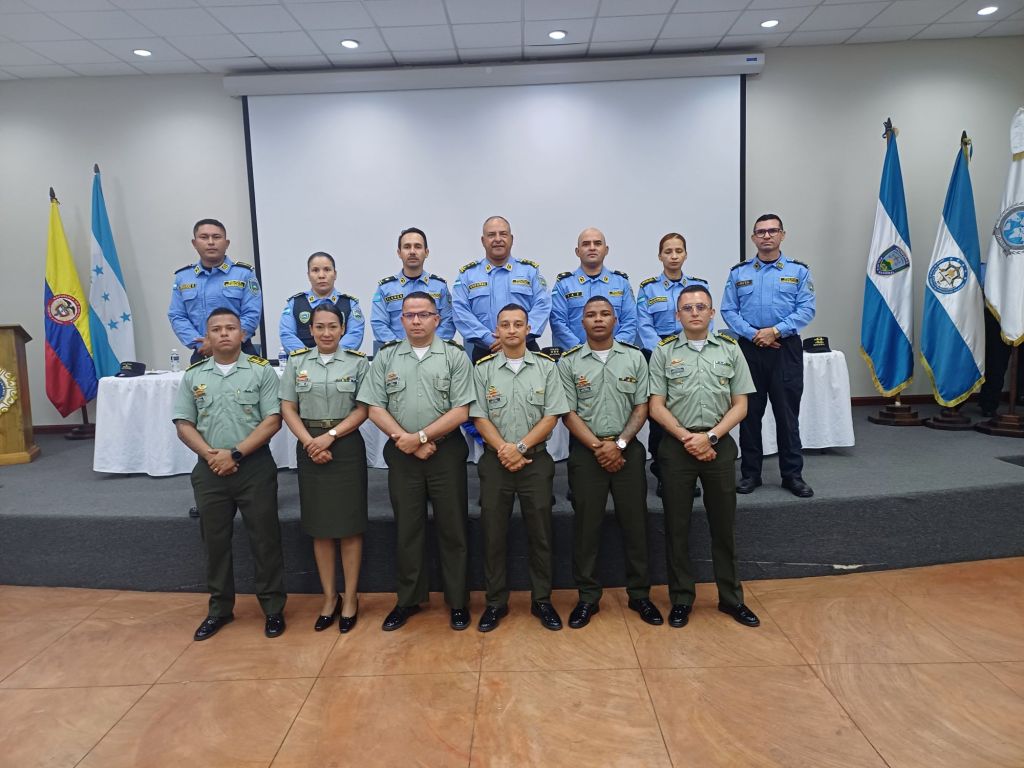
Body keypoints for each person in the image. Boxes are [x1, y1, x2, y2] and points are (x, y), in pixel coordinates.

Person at [357, 292, 475, 632]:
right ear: (401, 320)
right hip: (403, 453)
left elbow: (461, 410)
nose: (416, 321)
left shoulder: (454, 356)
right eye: (410, 315)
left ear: (437, 319)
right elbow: (374, 406)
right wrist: (405, 440)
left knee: (453, 529)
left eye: (424, 314)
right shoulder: (386, 357)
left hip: (445, 452)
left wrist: (421, 437)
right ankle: (408, 599)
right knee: (408, 530)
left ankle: (458, 601)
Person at [648, 285, 760, 629]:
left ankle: (732, 598)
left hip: (719, 444)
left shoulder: (730, 349)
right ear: (677, 315)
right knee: (676, 527)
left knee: (723, 526)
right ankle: (682, 599)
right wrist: (688, 438)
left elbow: (741, 405)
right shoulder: (663, 352)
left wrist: (709, 437)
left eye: (701, 307)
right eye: (687, 308)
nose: (694, 312)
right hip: (677, 447)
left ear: (712, 313)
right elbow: (656, 406)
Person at [171, 307, 286, 641]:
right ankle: (219, 609)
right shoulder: (194, 375)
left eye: (231, 328)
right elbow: (183, 423)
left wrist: (234, 454)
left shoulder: (262, 372)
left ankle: (273, 608)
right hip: (210, 469)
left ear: (243, 334)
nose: (224, 333)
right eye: (216, 329)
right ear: (207, 337)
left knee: (265, 539)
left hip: (254, 467)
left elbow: (272, 420)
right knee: (215, 541)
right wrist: (212, 456)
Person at [558, 297, 662, 629]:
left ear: (615, 320)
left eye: (605, 314)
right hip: (586, 453)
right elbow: (567, 413)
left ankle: (640, 595)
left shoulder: (634, 357)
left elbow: (642, 407)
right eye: (591, 315)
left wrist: (618, 445)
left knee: (635, 524)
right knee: (586, 527)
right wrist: (598, 447)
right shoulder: (569, 362)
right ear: (582, 322)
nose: (598, 319)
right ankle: (588, 597)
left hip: (627, 449)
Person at [470, 304, 569, 633]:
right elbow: (478, 416)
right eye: (505, 324)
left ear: (528, 329)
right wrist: (504, 449)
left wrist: (520, 448)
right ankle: (495, 602)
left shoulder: (546, 367)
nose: (511, 330)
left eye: (518, 324)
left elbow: (552, 415)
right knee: (493, 534)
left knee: (541, 533)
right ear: (496, 331)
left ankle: (542, 600)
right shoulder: (483, 369)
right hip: (495, 461)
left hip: (535, 461)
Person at [280, 304, 368, 633]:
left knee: (350, 525)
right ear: (311, 330)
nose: (326, 333)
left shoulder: (358, 363)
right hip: (310, 446)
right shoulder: (297, 362)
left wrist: (329, 437)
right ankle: (330, 597)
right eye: (320, 327)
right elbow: (288, 407)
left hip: (345, 446)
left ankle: (351, 598)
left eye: (332, 326)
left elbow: (363, 408)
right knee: (320, 527)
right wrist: (310, 442)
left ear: (343, 329)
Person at [720, 214, 816, 498]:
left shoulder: (798, 271)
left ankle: (792, 475)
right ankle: (751, 474)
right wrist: (754, 334)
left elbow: (806, 309)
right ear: (753, 238)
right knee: (749, 414)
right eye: (760, 232)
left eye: (772, 231)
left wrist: (774, 331)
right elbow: (728, 310)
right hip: (749, 350)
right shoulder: (739, 273)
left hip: (785, 349)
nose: (766, 236)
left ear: (782, 235)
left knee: (787, 415)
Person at [636, 233, 710, 498]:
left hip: (692, 354)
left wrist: (687, 350)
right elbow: (643, 325)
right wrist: (665, 352)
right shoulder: (648, 289)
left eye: (679, 251)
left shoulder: (699, 287)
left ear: (686, 254)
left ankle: (692, 469)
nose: (674, 256)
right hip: (658, 356)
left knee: (688, 412)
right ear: (660, 256)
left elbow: (705, 322)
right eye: (668, 251)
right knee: (659, 417)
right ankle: (662, 471)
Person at [453, 215, 551, 362]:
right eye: (491, 235)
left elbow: (542, 306)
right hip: (485, 350)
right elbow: (460, 311)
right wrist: (489, 338)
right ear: (483, 241)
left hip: (526, 348)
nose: (497, 239)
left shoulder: (530, 272)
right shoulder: (467, 275)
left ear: (511, 239)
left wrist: (518, 336)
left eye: (503, 234)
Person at [168, 219, 262, 364]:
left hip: (241, 351)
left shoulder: (244, 274)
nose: (211, 242)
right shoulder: (183, 277)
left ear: (227, 243)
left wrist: (221, 342)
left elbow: (252, 313)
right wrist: (201, 344)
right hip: (202, 352)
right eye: (204, 237)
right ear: (194, 243)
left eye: (216, 237)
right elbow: (177, 316)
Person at [550, 227, 637, 350]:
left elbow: (631, 320)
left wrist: (614, 350)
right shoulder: (564, 285)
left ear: (606, 250)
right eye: (586, 244)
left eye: (597, 243)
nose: (592, 248)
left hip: (617, 355)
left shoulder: (621, 283)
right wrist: (580, 352)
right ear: (577, 251)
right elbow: (558, 323)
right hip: (574, 357)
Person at [371, 227, 455, 352]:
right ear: (399, 253)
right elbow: (379, 323)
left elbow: (448, 321)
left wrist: (429, 347)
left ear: (426, 252)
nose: (412, 251)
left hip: (434, 353)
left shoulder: (440, 286)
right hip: (396, 354)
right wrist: (401, 349)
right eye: (407, 247)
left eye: (417, 246)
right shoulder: (385, 288)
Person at [280, 251, 364, 353]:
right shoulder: (295, 304)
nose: (321, 275)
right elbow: (287, 335)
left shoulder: (350, 304)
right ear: (308, 275)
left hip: (341, 361)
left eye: (327, 269)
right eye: (315, 270)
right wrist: (310, 358)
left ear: (335, 274)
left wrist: (333, 357)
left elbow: (355, 334)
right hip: (303, 362)